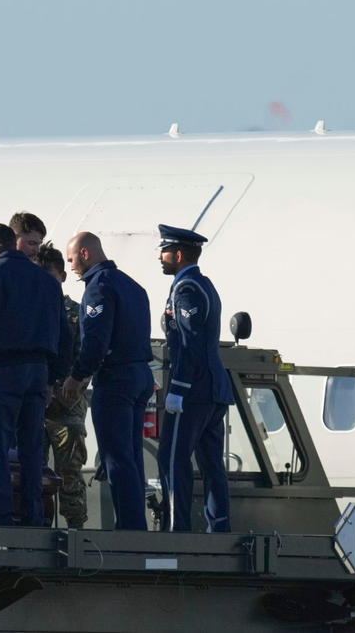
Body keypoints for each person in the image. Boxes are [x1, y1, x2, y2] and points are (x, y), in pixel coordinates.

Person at [0, 223, 67, 526]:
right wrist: (52, 378)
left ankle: (1, 521)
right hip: (37, 372)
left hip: (1, 372)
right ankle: (33, 520)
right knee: (32, 450)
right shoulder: (48, 282)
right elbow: (64, 336)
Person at [59, 232, 153, 531]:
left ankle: (129, 532)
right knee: (132, 457)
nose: (70, 266)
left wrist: (76, 377)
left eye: (71, 259)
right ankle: (136, 525)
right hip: (140, 376)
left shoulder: (98, 288)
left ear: (85, 254)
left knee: (116, 459)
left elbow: (95, 342)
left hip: (115, 381)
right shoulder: (133, 286)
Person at [155, 224, 233, 533]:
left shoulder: (186, 289)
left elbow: (190, 343)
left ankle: (178, 531)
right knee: (212, 465)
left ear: (177, 254)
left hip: (194, 391)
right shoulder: (204, 284)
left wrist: (178, 390)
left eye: (163, 252)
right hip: (212, 389)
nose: (159, 257)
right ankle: (219, 529)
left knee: (172, 459)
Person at [34, 243, 90, 529]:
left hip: (66, 407)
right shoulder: (29, 311)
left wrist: (60, 393)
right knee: (36, 474)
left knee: (69, 474)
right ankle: (40, 528)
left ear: (62, 276)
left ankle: (75, 531)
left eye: (49, 274)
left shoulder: (76, 313)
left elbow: (85, 358)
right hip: (35, 408)